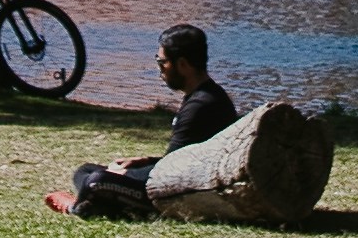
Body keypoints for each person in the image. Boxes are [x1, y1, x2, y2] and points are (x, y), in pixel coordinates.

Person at [53, 26, 233, 219]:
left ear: (182, 64)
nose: (159, 70)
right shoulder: (206, 95)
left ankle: (75, 207)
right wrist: (145, 161)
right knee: (85, 170)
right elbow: (181, 156)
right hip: (178, 178)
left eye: (162, 62)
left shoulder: (201, 106)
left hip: (179, 191)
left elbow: (171, 171)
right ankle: (106, 204)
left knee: (97, 180)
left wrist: (127, 176)